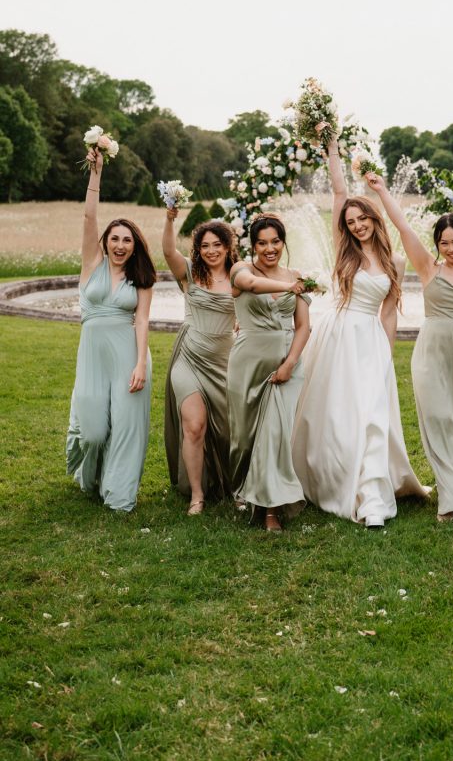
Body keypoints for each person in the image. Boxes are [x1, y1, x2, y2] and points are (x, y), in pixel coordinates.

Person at [291, 139, 430, 528]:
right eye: (351, 222)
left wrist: (386, 352)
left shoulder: (395, 262)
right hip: (337, 336)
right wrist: (333, 147)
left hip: (370, 340)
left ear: (373, 218)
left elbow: (389, 312)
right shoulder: (344, 250)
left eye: (362, 219)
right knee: (336, 413)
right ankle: (332, 478)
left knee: (371, 413)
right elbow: (339, 192)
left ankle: (371, 500)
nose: (356, 226)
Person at [366, 173, 453, 520]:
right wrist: (382, 190)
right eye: (444, 243)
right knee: (441, 420)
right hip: (431, 356)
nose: (451, 248)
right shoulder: (429, 268)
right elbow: (402, 226)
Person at [66, 148, 156, 511]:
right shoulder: (92, 263)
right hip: (92, 356)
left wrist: (140, 364)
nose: (120, 245)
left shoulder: (142, 277)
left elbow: (143, 319)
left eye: (127, 240)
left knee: (127, 428)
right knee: (93, 430)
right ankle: (91, 473)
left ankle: (118, 495)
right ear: (105, 241)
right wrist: (96, 172)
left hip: (129, 356)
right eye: (115, 238)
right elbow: (89, 216)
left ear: (135, 246)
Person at [227, 215, 309, 531]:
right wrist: (289, 287)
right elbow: (250, 285)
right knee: (244, 437)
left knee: (274, 435)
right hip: (247, 363)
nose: (269, 248)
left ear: (283, 242)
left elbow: (304, 326)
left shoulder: (296, 275)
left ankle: (271, 508)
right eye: (262, 243)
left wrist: (290, 364)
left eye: (275, 241)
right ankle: (242, 488)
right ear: (253, 245)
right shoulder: (241, 269)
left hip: (286, 365)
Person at [163, 213, 237, 515]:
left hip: (224, 361)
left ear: (228, 246)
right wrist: (170, 219)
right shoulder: (190, 273)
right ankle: (197, 495)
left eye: (217, 244)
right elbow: (168, 251)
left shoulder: (239, 276)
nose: (211, 251)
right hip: (189, 357)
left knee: (230, 430)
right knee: (194, 426)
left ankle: (235, 484)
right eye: (204, 246)